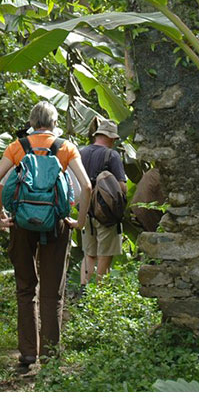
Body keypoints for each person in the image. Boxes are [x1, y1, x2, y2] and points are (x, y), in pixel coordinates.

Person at [0, 102, 91, 368]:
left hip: (21, 224)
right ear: (54, 122)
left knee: (25, 288)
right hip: (57, 222)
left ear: (32, 121)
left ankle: (28, 354)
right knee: (52, 292)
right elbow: (87, 186)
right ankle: (50, 356)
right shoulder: (65, 147)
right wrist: (78, 221)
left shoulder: (17, 147)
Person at [79, 117, 126, 286]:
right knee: (104, 255)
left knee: (89, 254)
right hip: (106, 214)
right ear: (111, 138)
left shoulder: (81, 152)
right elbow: (122, 187)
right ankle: (98, 294)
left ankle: (84, 292)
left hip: (86, 211)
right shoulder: (111, 155)